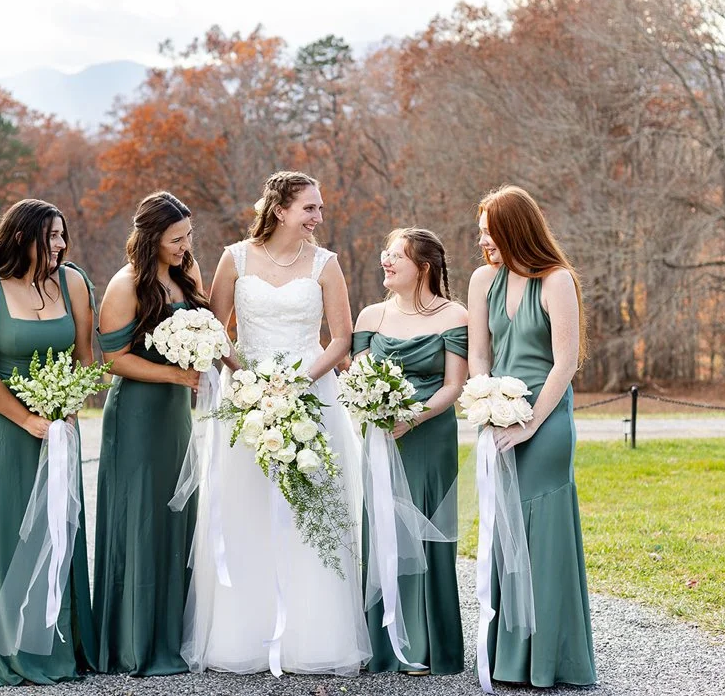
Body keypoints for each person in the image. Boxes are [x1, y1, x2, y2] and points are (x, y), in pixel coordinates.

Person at [182, 171, 372, 675]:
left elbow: (340, 339)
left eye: (320, 208)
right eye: (310, 208)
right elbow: (215, 331)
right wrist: (247, 380)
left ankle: (314, 638)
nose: (318, 217)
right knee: (245, 509)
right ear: (281, 209)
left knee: (311, 512)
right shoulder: (235, 258)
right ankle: (242, 635)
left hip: (311, 396)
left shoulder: (326, 265)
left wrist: (297, 383)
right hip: (246, 402)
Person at [0, 198, 98, 687]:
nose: (62, 245)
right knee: (7, 531)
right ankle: (5, 652)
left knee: (57, 528)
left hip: (59, 425)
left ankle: (59, 648)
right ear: (22, 237)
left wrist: (66, 411)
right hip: (1, 426)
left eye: (63, 235)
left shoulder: (72, 282)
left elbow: (85, 355)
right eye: (52, 236)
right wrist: (27, 419)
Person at [466, 185, 597, 687]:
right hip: (498, 415)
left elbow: (566, 361)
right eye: (481, 234)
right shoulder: (483, 281)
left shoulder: (557, 280)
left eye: (490, 233)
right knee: (504, 528)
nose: (484, 243)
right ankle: (510, 660)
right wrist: (485, 398)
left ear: (514, 229)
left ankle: (551, 660)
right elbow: (480, 352)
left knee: (542, 533)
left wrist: (531, 422)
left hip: (546, 419)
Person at [90, 191, 206, 676]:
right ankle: (134, 641)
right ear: (152, 237)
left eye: (188, 236)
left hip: (177, 413)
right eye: (177, 239)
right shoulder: (125, 285)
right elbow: (113, 360)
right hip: (137, 415)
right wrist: (175, 375)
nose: (185, 246)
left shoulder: (188, 274)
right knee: (139, 516)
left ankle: (174, 634)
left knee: (177, 513)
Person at [352, 228, 468, 676]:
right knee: (383, 525)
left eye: (395, 255)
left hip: (430, 435)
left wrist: (412, 417)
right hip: (381, 438)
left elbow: (454, 385)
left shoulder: (452, 314)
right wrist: (374, 411)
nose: (385, 260)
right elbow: (358, 378)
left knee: (426, 531)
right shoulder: (370, 316)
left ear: (423, 267)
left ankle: (426, 643)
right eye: (385, 252)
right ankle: (383, 644)